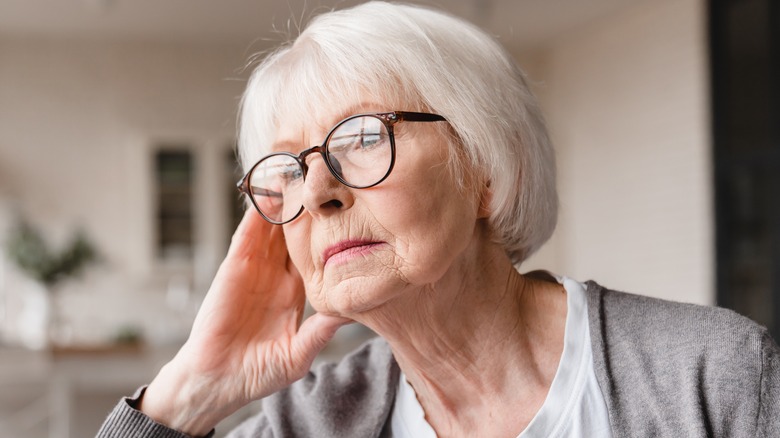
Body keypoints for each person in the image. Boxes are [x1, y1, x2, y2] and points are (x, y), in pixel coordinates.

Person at [98, 2, 780, 437]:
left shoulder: (716, 376)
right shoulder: (309, 421)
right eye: (289, 168)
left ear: (484, 168)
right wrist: (190, 395)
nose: (322, 190)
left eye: (363, 137)